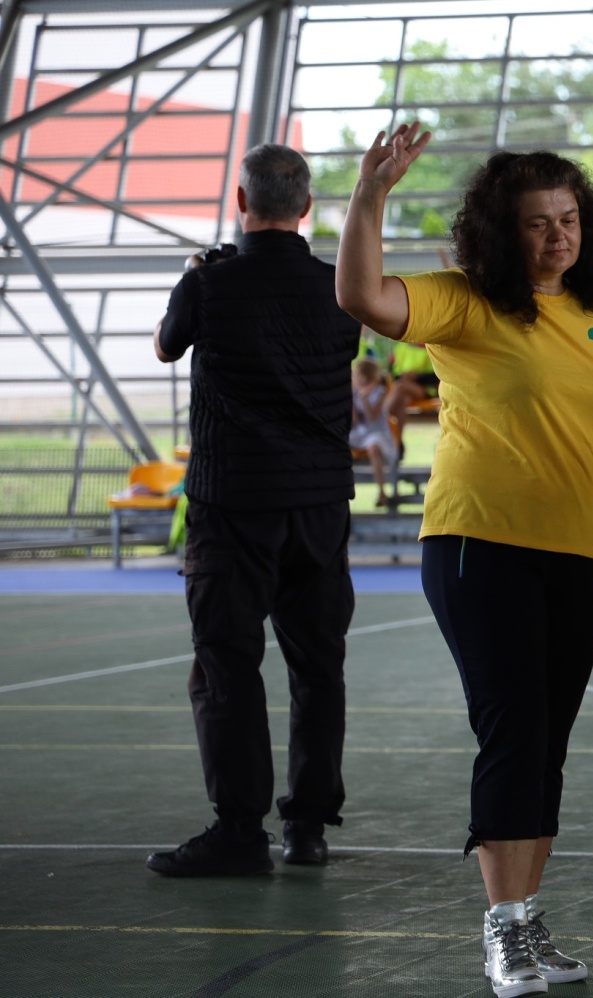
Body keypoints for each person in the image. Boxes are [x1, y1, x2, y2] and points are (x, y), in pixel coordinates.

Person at [335, 128, 593, 997]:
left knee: (547, 742)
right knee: (514, 728)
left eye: (569, 219)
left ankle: (525, 917)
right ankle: (503, 930)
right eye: (537, 222)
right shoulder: (466, 302)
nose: (559, 236)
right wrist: (370, 195)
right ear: (501, 230)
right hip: (477, 547)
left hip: (570, 555)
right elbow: (363, 296)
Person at [148, 143, 360, 877]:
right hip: (319, 506)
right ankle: (308, 827)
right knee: (318, 667)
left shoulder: (208, 282)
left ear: (242, 202)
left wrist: (192, 276)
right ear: (306, 208)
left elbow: (166, 347)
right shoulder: (338, 288)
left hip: (233, 504)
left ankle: (240, 832)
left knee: (227, 666)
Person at [350, 357, 399, 507]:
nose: (358, 379)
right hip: (359, 432)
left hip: (378, 432)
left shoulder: (380, 392)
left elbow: (372, 417)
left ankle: (382, 492)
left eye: (361, 375)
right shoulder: (354, 392)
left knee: (373, 447)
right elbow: (355, 420)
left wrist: (364, 399)